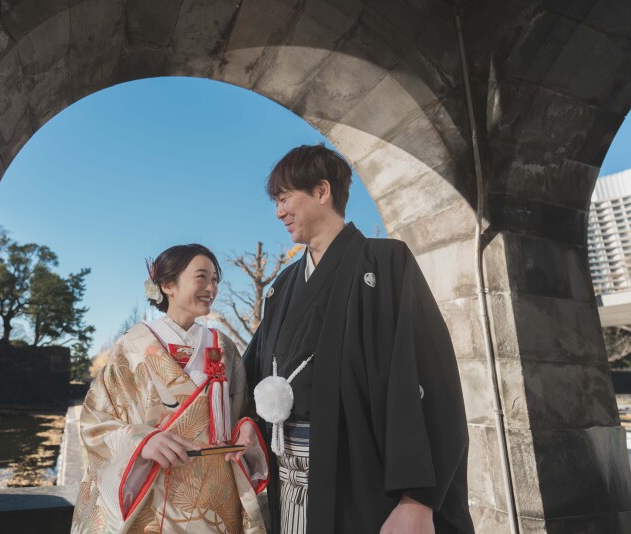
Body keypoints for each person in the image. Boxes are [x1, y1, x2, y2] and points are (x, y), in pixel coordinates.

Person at [244, 145, 475, 533]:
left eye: (285, 199)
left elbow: (434, 383)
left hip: (365, 483)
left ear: (322, 191)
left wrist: (417, 499)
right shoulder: (281, 287)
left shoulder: (387, 265)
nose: (278, 212)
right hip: (291, 483)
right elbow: (248, 374)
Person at [71, 244, 269, 534]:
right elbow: (94, 419)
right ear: (167, 285)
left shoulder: (223, 347)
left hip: (215, 501)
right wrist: (141, 441)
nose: (211, 287)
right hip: (153, 495)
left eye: (215, 279)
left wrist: (247, 428)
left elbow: (243, 412)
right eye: (201, 277)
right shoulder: (132, 347)